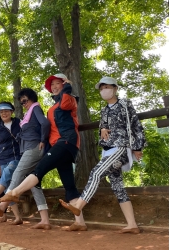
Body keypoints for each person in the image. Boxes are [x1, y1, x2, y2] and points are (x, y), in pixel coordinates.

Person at [0, 73, 87, 231]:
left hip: (66, 142)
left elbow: (66, 105)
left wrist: (68, 86)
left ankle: (15, 192)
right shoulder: (53, 106)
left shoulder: (69, 99)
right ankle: (80, 222)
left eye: (57, 83)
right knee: (69, 186)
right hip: (59, 145)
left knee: (38, 170)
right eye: (52, 85)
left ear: (64, 84)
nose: (54, 87)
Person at [59, 77, 146, 234]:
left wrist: (138, 147)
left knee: (96, 173)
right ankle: (132, 224)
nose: (104, 90)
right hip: (108, 150)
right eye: (101, 88)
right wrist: (102, 130)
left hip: (122, 147)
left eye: (107, 87)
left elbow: (135, 125)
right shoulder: (104, 110)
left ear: (115, 88)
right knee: (118, 186)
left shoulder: (125, 104)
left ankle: (77, 206)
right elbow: (103, 128)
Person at [0, 88, 52, 229]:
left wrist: (43, 140)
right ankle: (45, 220)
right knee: (34, 184)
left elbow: (45, 124)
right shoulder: (27, 114)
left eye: (25, 100)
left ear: (32, 98)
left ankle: (2, 205)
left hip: (32, 149)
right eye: (22, 102)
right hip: (28, 149)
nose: (24, 103)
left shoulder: (35, 109)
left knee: (17, 173)